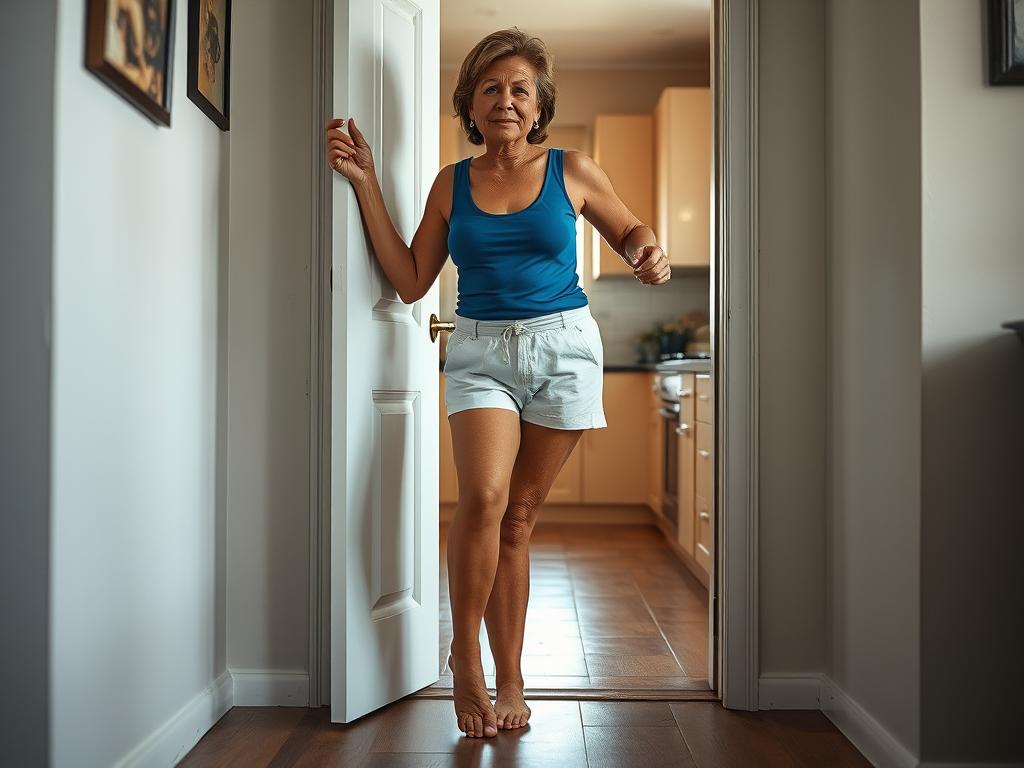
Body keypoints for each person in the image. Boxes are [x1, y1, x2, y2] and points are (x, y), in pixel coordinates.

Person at [324, 27, 671, 739]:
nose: (506, 100)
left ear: (539, 104)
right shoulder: (450, 184)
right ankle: (464, 657)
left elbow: (630, 228)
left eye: (520, 89)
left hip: (564, 350)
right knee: (482, 499)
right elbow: (413, 278)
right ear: (470, 105)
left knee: (519, 518)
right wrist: (366, 185)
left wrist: (646, 251)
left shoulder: (574, 169)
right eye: (491, 88)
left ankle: (510, 674)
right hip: (480, 353)